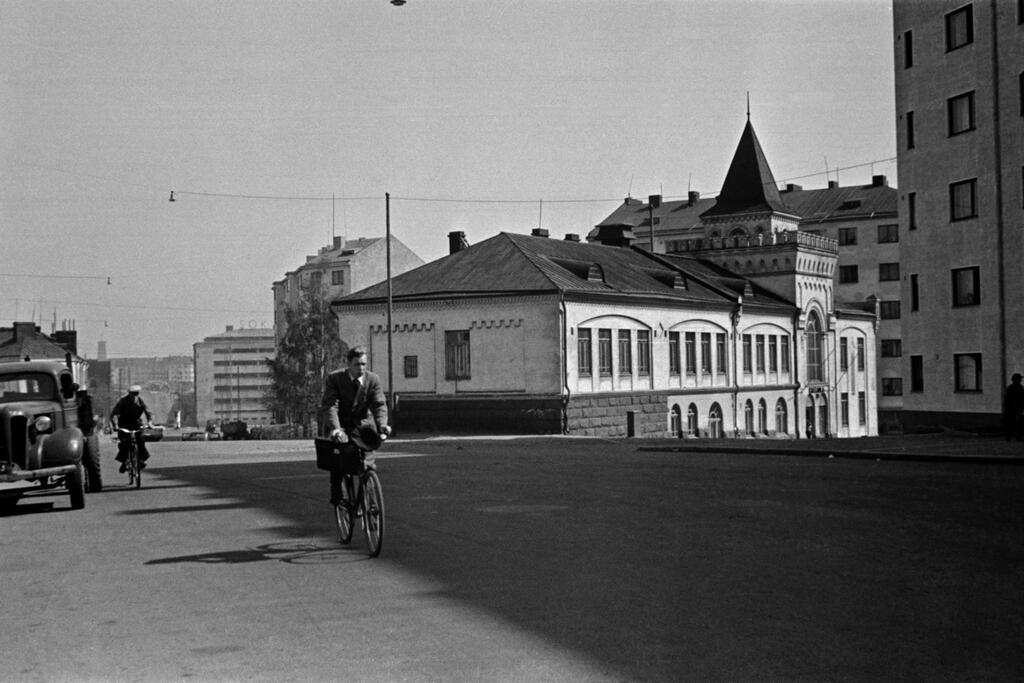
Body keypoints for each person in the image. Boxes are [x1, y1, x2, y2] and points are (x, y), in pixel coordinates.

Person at [321, 346, 391, 504]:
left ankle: (371, 499)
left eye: (364, 364)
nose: (361, 368)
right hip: (340, 424)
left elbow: (379, 404)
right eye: (357, 364)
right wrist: (336, 429)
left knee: (368, 461)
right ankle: (336, 488)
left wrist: (382, 425)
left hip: (362, 425)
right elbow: (330, 405)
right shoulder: (335, 379)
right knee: (338, 457)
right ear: (349, 364)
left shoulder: (373, 380)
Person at [111, 385, 154, 472]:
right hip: (124, 424)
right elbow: (115, 414)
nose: (135, 396)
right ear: (129, 394)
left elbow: (148, 412)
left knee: (140, 441)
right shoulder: (123, 401)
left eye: (136, 393)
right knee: (125, 443)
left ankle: (140, 460)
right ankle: (124, 462)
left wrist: (149, 422)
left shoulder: (141, 401)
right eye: (133, 394)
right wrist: (115, 425)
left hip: (136, 424)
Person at [1003, 373, 1024, 441]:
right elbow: (1007, 398)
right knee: (1010, 422)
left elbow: (1022, 397)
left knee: (1018, 422)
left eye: (1020, 379)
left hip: (1018, 407)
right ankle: (1008, 437)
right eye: (1019, 379)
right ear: (1015, 380)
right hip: (1011, 408)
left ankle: (1018, 437)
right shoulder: (1010, 388)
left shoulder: (1020, 387)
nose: (1020, 380)